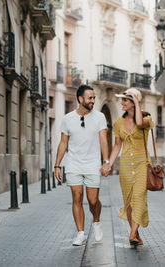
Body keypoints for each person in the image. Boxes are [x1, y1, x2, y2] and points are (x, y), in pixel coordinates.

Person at [54, 85, 111, 246]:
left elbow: (103, 140)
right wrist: (57, 165)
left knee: (93, 200)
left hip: (93, 164)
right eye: (90, 98)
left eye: (94, 98)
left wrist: (106, 162)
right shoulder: (67, 119)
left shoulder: (99, 117)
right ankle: (80, 233)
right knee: (77, 197)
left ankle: (97, 221)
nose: (93, 100)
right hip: (73, 164)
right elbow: (63, 143)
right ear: (80, 99)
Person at [105, 88, 154, 247]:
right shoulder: (118, 123)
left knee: (139, 197)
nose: (122, 102)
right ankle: (136, 235)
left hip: (142, 164)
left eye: (125, 100)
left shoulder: (147, 119)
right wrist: (108, 164)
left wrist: (137, 102)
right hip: (125, 165)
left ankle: (132, 233)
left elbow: (139, 123)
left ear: (134, 102)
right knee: (129, 202)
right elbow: (117, 146)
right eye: (122, 100)